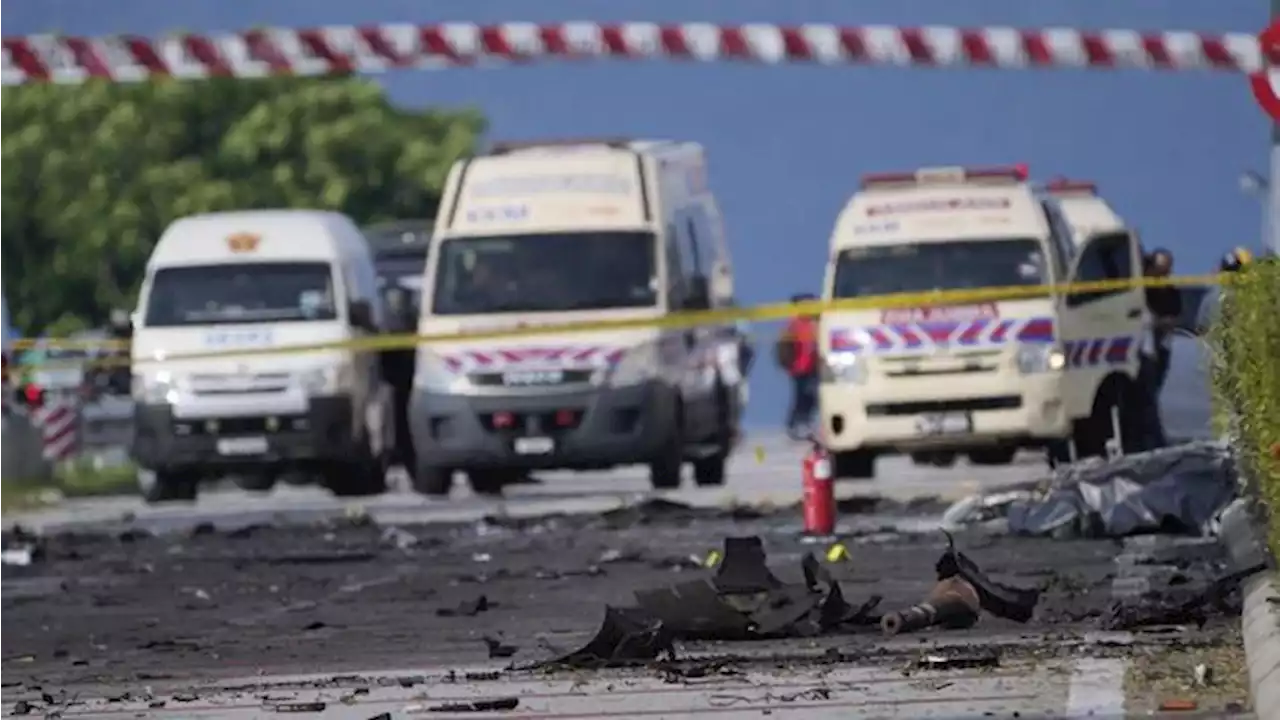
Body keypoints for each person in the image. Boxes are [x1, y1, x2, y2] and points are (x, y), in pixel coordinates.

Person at [1134, 248, 1182, 450]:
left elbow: (1175, 315)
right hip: (1145, 349)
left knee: (1154, 391)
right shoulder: (1142, 289)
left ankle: (1152, 438)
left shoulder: (1169, 290)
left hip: (1162, 347)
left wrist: (1162, 323)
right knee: (1146, 395)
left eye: (1167, 268)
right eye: (1161, 267)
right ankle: (1151, 439)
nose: (1164, 272)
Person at [776, 293, 819, 440]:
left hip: (813, 367)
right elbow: (783, 347)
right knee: (801, 396)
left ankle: (806, 422)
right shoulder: (793, 325)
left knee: (813, 397)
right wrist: (788, 363)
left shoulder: (816, 323)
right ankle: (795, 424)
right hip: (799, 368)